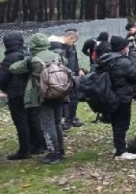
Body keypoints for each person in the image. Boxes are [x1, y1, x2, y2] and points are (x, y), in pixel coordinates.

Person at [10, 34, 69, 165]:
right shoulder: (57, 55)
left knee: (48, 125)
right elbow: (66, 62)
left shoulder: (33, 60)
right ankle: (61, 150)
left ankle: (53, 153)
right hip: (59, 92)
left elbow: (14, 68)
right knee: (57, 123)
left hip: (43, 95)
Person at [97, 36, 136, 161]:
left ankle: (118, 146)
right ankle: (121, 152)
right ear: (122, 48)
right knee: (122, 123)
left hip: (109, 94)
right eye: (126, 46)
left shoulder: (106, 58)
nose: (128, 48)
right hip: (122, 95)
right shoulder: (122, 61)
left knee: (116, 122)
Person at [0, 33, 44, 159]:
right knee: (33, 118)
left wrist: (5, 89)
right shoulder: (29, 55)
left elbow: (2, 79)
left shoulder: (10, 58)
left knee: (21, 121)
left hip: (16, 94)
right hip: (32, 92)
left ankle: (24, 150)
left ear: (7, 44)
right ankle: (38, 146)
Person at [48, 29, 83, 130]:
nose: (74, 43)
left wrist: (78, 69)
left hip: (72, 75)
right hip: (63, 77)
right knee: (67, 99)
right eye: (73, 41)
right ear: (70, 37)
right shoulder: (57, 48)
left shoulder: (70, 46)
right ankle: (66, 121)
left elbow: (74, 60)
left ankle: (71, 118)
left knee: (73, 98)